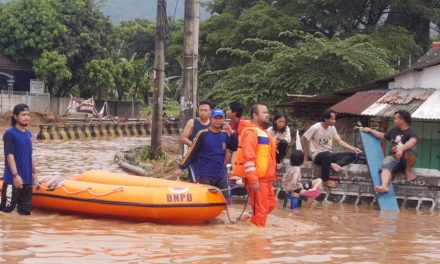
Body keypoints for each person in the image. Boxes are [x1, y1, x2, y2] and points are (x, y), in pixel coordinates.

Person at [174, 109, 238, 195]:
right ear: (211, 119)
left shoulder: (225, 135)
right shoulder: (202, 134)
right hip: (205, 174)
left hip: (221, 174)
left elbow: (234, 147)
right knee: (206, 200)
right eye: (215, 118)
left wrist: (232, 133)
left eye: (220, 118)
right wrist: (181, 167)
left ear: (224, 120)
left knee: (223, 201)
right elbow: (192, 152)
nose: (218, 120)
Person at [232, 104, 277, 227]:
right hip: (258, 178)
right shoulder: (250, 132)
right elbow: (248, 157)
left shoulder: (264, 132)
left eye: (267, 112)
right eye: (264, 112)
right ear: (255, 115)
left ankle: (248, 220)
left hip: (267, 178)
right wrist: (253, 178)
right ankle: (258, 240)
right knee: (261, 210)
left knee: (271, 205)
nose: (267, 115)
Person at [300, 109, 362, 188]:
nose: (335, 121)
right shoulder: (315, 127)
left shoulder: (332, 128)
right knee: (327, 155)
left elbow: (339, 141)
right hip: (316, 155)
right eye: (332, 119)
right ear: (326, 119)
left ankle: (335, 165)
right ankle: (325, 180)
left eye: (335, 119)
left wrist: (353, 148)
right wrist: (306, 154)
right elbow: (302, 139)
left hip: (328, 155)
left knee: (351, 155)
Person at [362, 110, 417, 193]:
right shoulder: (393, 131)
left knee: (413, 149)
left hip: (406, 160)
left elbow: (412, 141)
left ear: (402, 120)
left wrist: (401, 149)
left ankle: (408, 169)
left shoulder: (411, 132)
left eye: (395, 119)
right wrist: (370, 130)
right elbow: (382, 135)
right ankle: (384, 186)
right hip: (394, 159)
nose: (394, 121)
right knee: (386, 162)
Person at [1, 104, 37, 215]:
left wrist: (34, 173)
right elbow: (9, 155)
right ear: (16, 117)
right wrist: (15, 175)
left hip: (27, 180)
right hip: (12, 180)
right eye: (23, 115)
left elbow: (29, 155)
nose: (27, 117)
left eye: (28, 115)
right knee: (5, 212)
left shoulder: (28, 134)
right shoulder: (9, 134)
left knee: (25, 214)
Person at [179, 100, 212, 181]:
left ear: (210, 111)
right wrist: (196, 146)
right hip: (194, 158)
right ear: (198, 111)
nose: (203, 112)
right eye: (201, 110)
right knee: (195, 180)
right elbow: (183, 138)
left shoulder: (213, 124)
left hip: (209, 159)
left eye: (205, 110)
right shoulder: (192, 122)